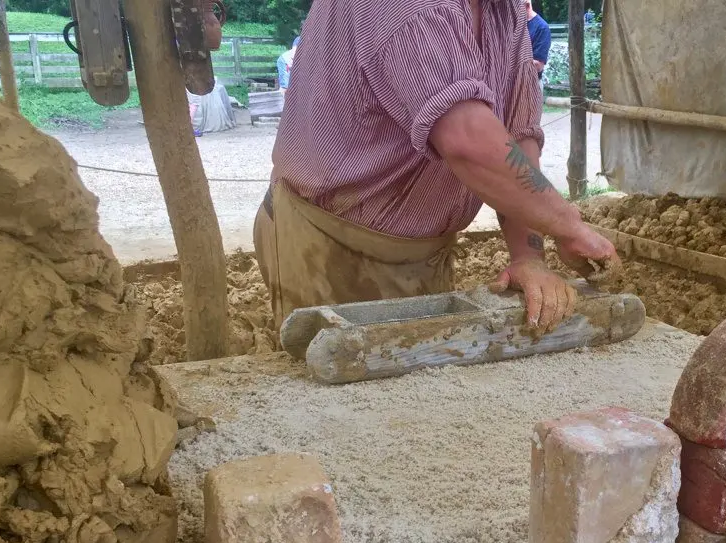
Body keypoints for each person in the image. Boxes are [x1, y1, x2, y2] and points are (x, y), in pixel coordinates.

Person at [254, 0, 618, 334]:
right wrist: (569, 227)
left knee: (416, 391)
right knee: (343, 398)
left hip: (423, 251)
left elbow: (514, 134)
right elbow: (466, 138)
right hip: (328, 245)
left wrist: (529, 255)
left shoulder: (503, 10)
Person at [526, 1, 551, 88]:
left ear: (527, 4)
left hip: (531, 84)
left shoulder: (542, 27)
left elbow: (538, 65)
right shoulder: (513, 25)